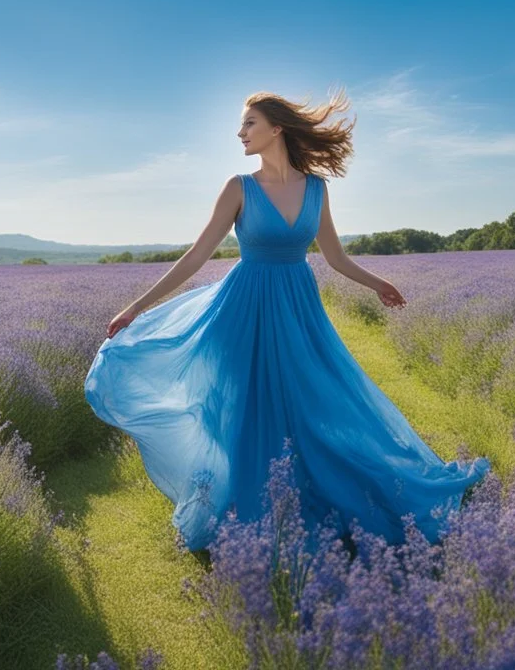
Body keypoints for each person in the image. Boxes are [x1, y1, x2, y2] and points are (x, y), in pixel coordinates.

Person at [83, 88, 491, 553]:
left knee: (315, 402)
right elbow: (197, 256)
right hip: (244, 309)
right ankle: (249, 506)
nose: (240, 133)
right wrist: (136, 307)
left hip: (298, 309)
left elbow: (335, 257)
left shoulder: (317, 188)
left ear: (276, 128)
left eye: (249, 124)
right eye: (241, 125)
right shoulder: (239, 187)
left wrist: (377, 282)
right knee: (248, 408)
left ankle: (319, 493)